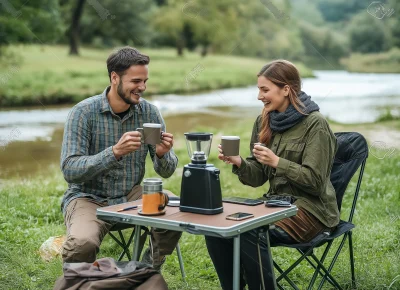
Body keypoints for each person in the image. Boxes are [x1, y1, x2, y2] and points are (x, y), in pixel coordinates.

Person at [205, 60, 340, 289]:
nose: (259, 96)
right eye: (259, 89)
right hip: (275, 205)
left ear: (286, 89)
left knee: (250, 230)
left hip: (312, 211)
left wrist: (278, 162)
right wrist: (239, 162)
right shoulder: (264, 120)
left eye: (264, 89)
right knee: (218, 228)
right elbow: (258, 177)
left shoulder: (315, 124)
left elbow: (316, 183)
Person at [60, 46, 182, 270]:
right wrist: (114, 152)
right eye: (136, 81)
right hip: (88, 197)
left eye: (145, 81)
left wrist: (163, 154)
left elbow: (165, 171)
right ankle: (79, 282)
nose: (142, 87)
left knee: (176, 210)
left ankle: (145, 269)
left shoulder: (149, 113)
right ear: (114, 78)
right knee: (81, 244)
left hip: (132, 194)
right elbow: (69, 169)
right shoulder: (83, 113)